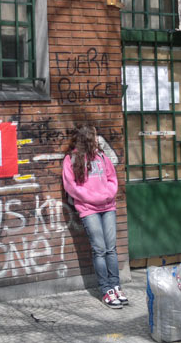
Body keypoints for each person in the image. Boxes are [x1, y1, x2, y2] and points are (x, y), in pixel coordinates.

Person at [62, 124, 127, 308]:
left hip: (108, 206)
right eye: (95, 136)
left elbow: (112, 178)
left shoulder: (101, 156)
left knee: (111, 249)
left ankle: (116, 286)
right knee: (99, 249)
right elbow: (71, 186)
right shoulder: (71, 159)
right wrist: (93, 197)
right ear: (89, 138)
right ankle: (106, 290)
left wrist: (108, 194)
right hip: (88, 209)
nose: (98, 139)